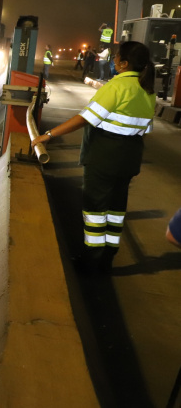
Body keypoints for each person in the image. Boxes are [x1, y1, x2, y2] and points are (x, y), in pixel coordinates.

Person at [32, 41, 156, 274]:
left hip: (104, 157)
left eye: (117, 57)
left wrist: (48, 135)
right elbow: (144, 131)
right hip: (129, 158)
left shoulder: (117, 86)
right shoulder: (147, 90)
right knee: (116, 210)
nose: (114, 60)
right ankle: (107, 256)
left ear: (124, 63)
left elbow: (85, 118)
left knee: (95, 210)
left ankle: (92, 261)